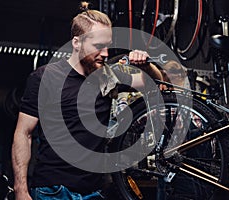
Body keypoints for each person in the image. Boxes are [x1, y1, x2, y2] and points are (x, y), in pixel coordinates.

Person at [11, 2, 163, 200]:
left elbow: (158, 85)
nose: (106, 53)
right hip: (53, 191)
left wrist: (147, 64)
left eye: (107, 46)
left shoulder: (108, 77)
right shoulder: (44, 78)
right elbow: (24, 133)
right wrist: (20, 190)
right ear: (76, 43)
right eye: (98, 47)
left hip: (95, 193)